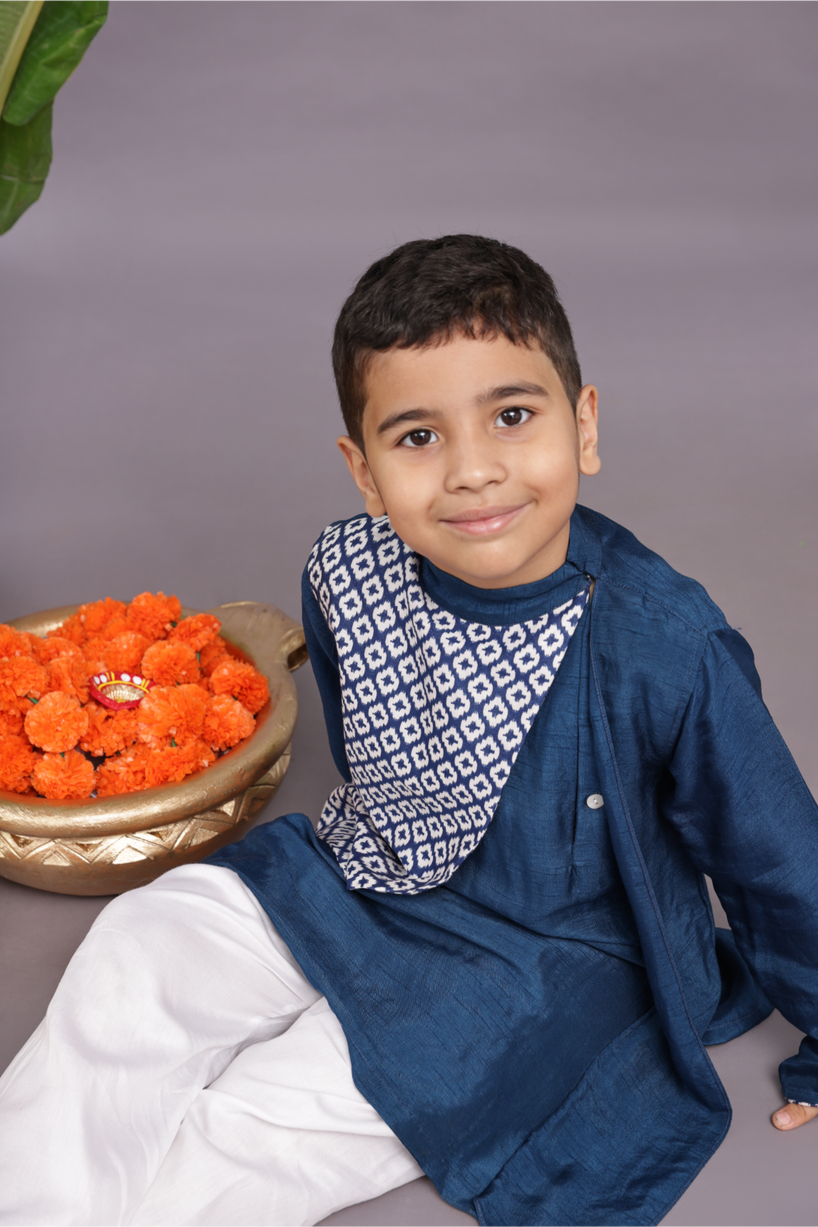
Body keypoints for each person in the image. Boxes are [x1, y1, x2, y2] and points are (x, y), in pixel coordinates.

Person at [1, 234, 816, 1227]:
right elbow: (372, 751)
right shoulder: (347, 570)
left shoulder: (661, 641)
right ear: (362, 470)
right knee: (141, 943)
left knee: (289, 1112)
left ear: (584, 425)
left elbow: (775, 856)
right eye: (417, 437)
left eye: (511, 417)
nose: (474, 472)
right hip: (356, 877)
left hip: (542, 952)